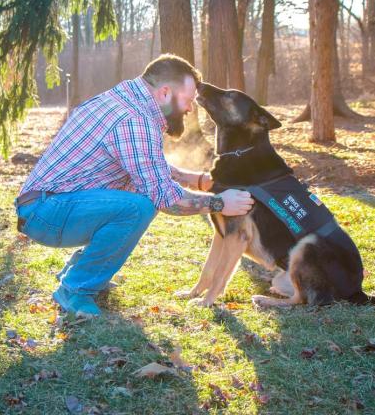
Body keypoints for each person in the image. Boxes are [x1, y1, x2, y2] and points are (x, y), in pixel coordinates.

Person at [15, 54, 254, 317]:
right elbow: (167, 200)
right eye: (187, 101)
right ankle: (76, 289)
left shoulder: (125, 101)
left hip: (50, 206)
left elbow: (144, 164)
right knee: (139, 206)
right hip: (47, 213)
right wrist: (220, 203)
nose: (189, 110)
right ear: (165, 93)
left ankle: (80, 270)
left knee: (139, 195)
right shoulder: (134, 120)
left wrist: (194, 179)